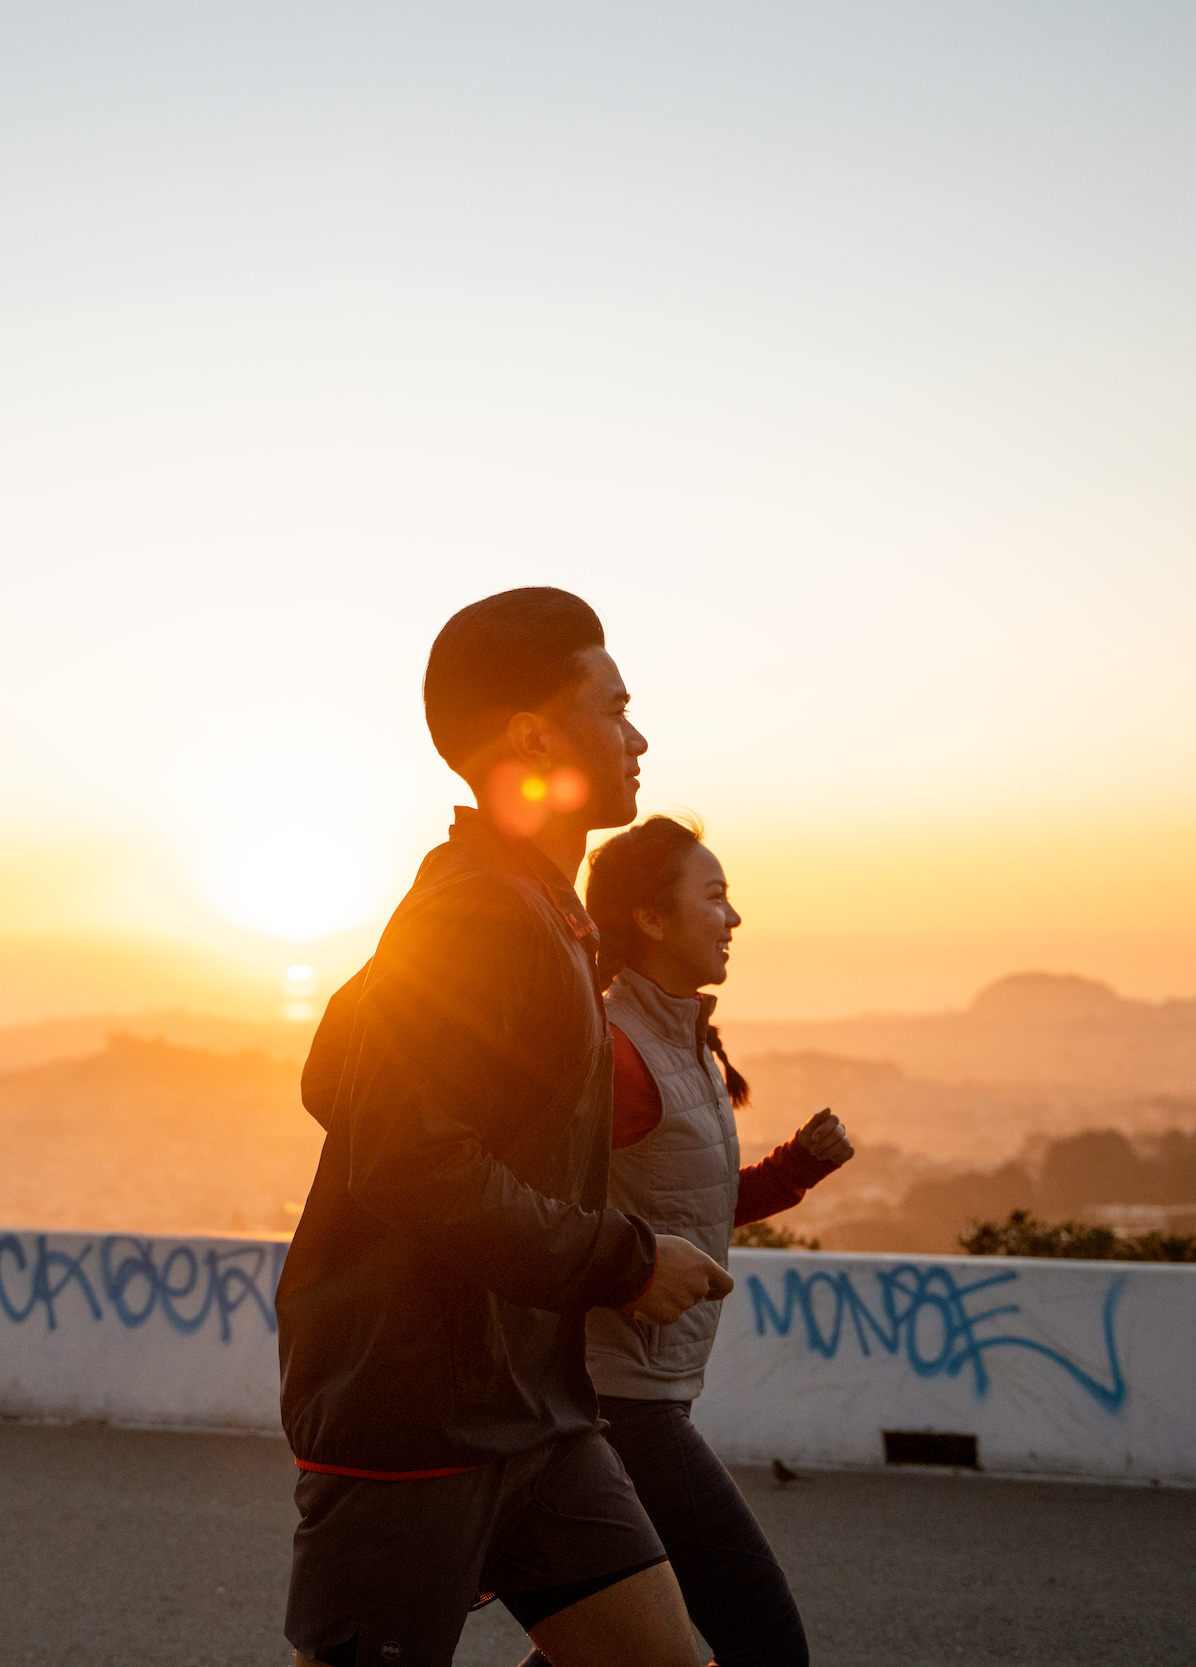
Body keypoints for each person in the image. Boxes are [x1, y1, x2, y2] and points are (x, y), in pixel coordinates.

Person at [277, 587, 734, 1667]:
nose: (637, 734)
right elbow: (408, 1156)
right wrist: (624, 1259)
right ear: (537, 735)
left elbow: (334, 1071)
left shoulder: (520, 902)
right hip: (415, 1417)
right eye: (613, 705)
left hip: (532, 1410)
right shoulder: (477, 909)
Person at [520, 814, 853, 1667]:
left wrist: (792, 1171)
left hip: (643, 1394)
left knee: (599, 1648)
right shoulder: (616, 1053)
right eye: (715, 896)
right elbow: (542, 1217)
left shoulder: (685, 1044)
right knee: (767, 1645)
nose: (734, 917)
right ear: (651, 920)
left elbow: (686, 1211)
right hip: (620, 1403)